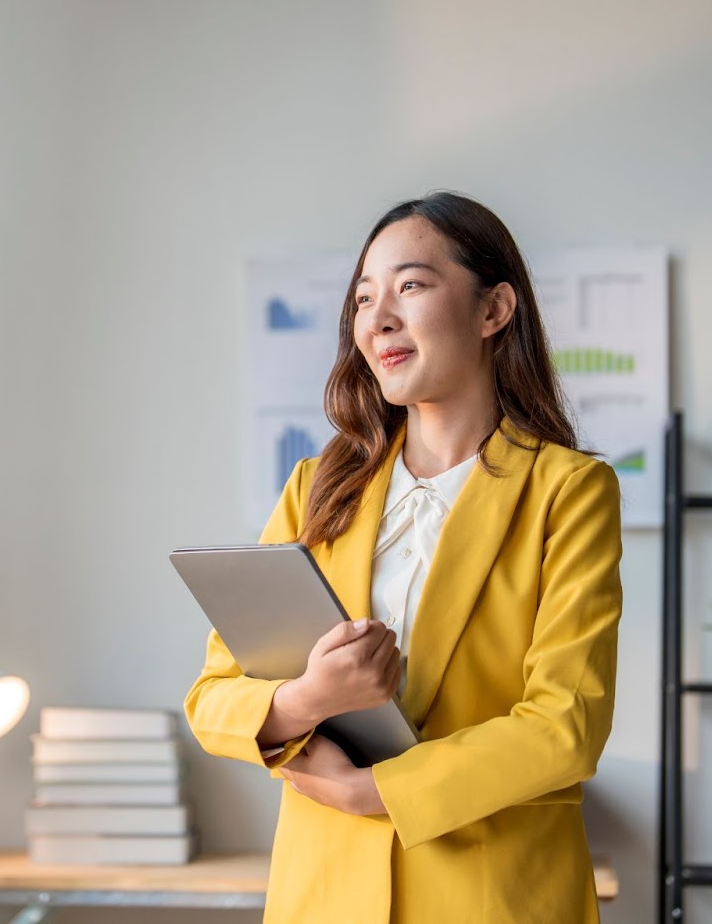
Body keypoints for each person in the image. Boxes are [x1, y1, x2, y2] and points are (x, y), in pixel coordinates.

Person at [184, 192, 623, 923]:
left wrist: (381, 790)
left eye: (410, 286)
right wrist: (306, 701)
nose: (378, 318)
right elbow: (213, 696)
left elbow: (565, 725)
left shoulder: (569, 492)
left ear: (494, 311)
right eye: (363, 298)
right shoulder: (316, 488)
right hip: (324, 895)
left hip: (493, 897)